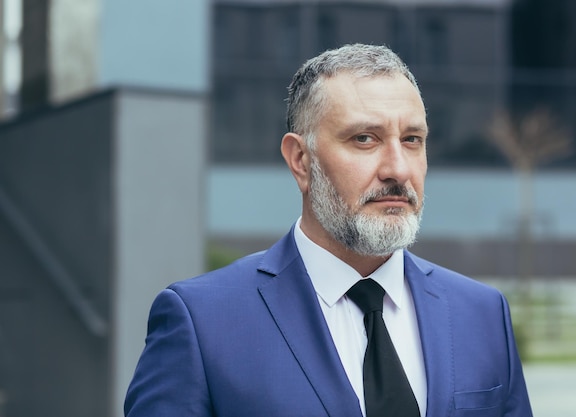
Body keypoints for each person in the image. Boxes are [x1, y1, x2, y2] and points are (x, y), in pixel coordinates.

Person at [124, 44, 533, 417]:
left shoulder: (481, 314)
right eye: (364, 139)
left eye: (412, 139)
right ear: (301, 160)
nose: (398, 169)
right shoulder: (202, 323)